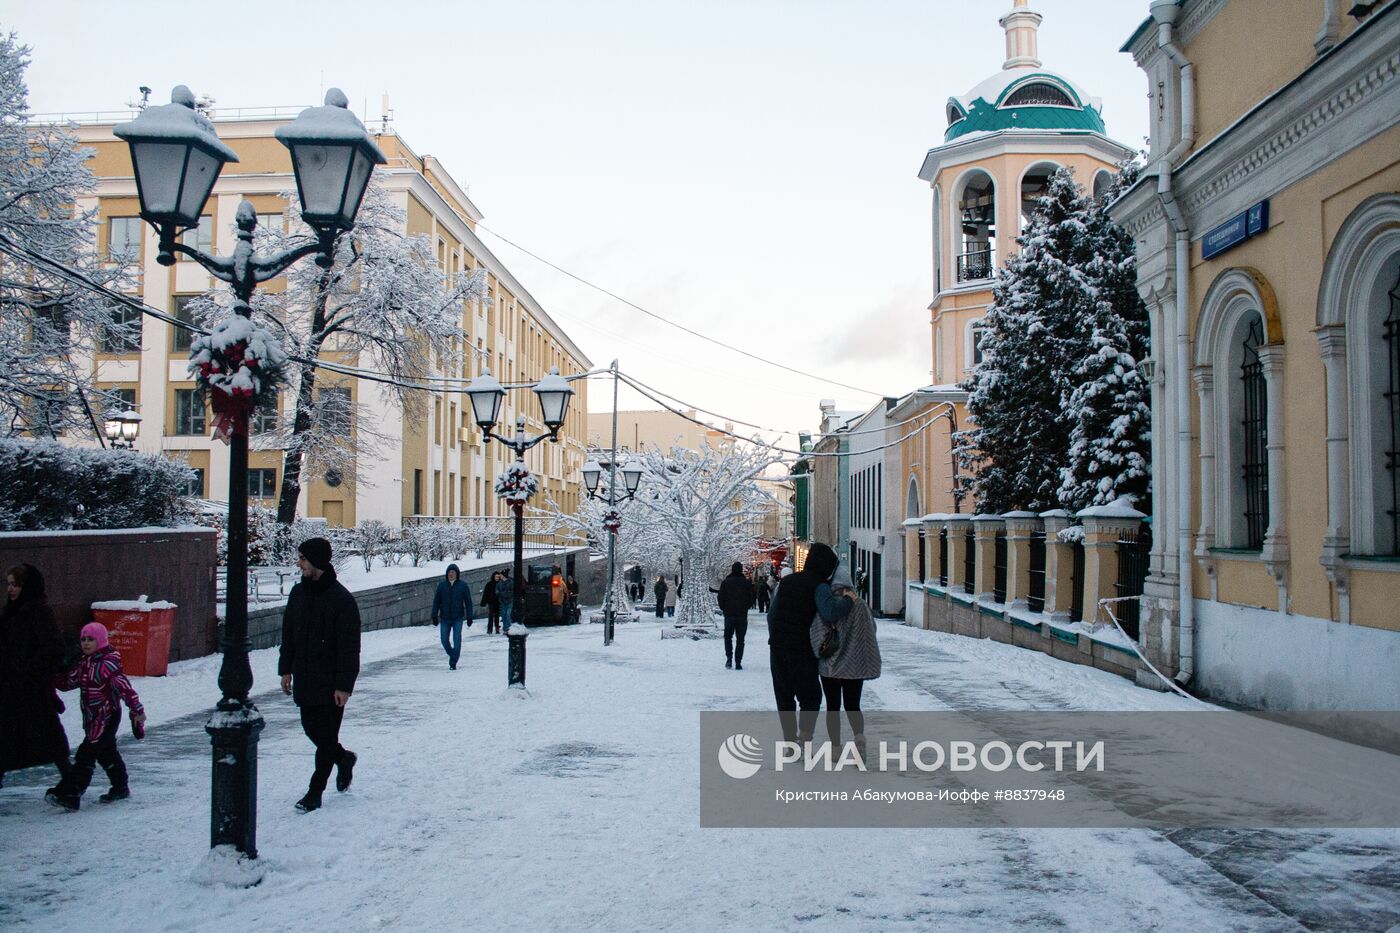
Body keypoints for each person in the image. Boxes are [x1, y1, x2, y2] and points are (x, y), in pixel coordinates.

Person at [278, 537, 361, 813]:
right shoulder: (298, 594)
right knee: (313, 731)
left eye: (303, 559)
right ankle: (344, 758)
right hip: (304, 676)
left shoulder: (342, 600)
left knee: (325, 737)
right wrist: (285, 668)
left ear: (317, 561)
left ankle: (315, 792)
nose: (299, 563)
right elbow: (288, 633)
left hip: (331, 682)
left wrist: (344, 685)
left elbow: (349, 648)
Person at [46, 622, 145, 810]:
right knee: (107, 753)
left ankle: (70, 793)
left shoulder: (108, 664)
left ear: (100, 641)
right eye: (83, 640)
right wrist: (54, 675)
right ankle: (120, 786)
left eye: (90, 639)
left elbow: (125, 689)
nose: (86, 643)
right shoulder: (84, 663)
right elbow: (69, 682)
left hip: (107, 717)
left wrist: (137, 710)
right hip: (92, 718)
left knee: (86, 755)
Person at [766, 543, 849, 745]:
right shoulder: (819, 586)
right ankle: (804, 736)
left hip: (778, 647)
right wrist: (848, 601)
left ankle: (789, 741)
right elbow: (829, 612)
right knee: (810, 697)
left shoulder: (787, 582)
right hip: (802, 648)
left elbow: (771, 615)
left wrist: (776, 636)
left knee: (784, 697)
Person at [0, 564, 71, 793]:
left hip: (31, 689)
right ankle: (70, 781)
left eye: (16, 584)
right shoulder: (10, 612)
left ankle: (70, 782)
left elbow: (53, 649)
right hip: (10, 687)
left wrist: (29, 673)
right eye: (9, 584)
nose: (11, 589)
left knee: (48, 736)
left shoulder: (39, 612)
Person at [810, 567, 881, 755]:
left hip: (831, 667)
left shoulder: (829, 605)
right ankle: (858, 736)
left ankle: (835, 748)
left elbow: (817, 633)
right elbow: (872, 629)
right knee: (853, 705)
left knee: (833, 706)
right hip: (855, 666)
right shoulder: (861, 605)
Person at [431, 563, 473, 670]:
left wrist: (469, 617)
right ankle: (453, 655)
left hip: (457, 617)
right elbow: (436, 601)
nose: (451, 574)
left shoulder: (463, 586)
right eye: (449, 572)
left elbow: (468, 602)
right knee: (444, 640)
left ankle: (453, 662)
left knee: (457, 639)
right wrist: (434, 615)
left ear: (457, 574)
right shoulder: (442, 586)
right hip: (445, 617)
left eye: (453, 572)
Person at [714, 562, 755, 670]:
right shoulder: (746, 583)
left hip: (729, 614)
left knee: (728, 637)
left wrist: (724, 608)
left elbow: (720, 598)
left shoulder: (726, 583)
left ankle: (729, 658)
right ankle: (738, 662)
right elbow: (752, 597)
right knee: (740, 639)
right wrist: (746, 606)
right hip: (742, 615)